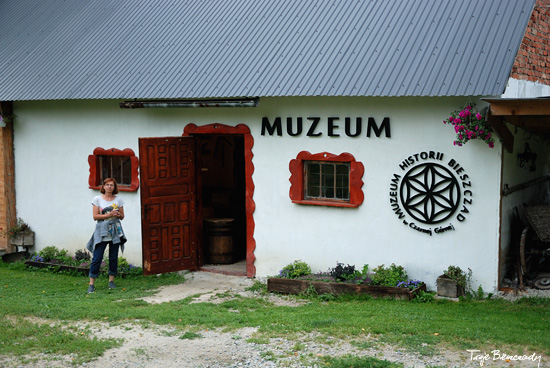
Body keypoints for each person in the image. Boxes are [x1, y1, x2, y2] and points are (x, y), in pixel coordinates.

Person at [86, 178, 127, 293]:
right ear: (103, 186)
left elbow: (122, 216)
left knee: (113, 257)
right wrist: (109, 214)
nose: (109, 187)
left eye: (112, 185)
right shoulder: (97, 199)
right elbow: (95, 217)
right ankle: (91, 284)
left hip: (115, 231)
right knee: (97, 257)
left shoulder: (119, 200)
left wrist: (117, 214)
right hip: (102, 231)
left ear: (114, 187)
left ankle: (111, 281)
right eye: (107, 185)